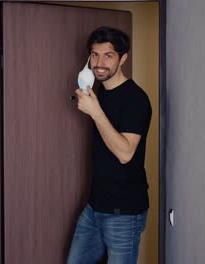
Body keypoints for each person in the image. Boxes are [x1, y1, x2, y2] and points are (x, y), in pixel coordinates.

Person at [67, 26, 152, 264]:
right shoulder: (98, 93)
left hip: (124, 213)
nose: (99, 62)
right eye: (95, 54)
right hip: (95, 207)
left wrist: (96, 113)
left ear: (123, 58)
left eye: (108, 55)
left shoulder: (136, 99)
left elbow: (125, 153)